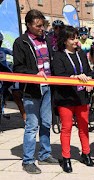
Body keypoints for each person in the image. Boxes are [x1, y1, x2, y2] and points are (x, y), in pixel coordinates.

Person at [13, 9, 59, 174]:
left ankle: (45, 154)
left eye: (43, 25)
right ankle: (28, 160)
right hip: (32, 90)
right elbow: (18, 68)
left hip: (48, 87)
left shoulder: (48, 39)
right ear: (29, 25)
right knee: (32, 125)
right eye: (38, 26)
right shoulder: (21, 42)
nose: (42, 29)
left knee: (46, 122)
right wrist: (34, 75)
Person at [51, 26, 94, 173]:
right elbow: (59, 74)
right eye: (72, 38)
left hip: (81, 97)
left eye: (76, 37)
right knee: (67, 127)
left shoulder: (81, 54)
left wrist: (89, 80)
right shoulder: (58, 56)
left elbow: (88, 72)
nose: (76, 41)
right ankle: (66, 158)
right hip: (65, 98)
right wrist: (74, 78)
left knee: (84, 126)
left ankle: (86, 153)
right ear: (64, 41)